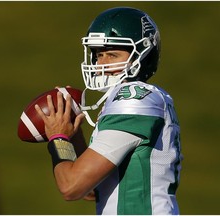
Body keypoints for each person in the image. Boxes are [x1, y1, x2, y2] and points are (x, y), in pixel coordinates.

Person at [35, 7, 183, 215]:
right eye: (98, 54)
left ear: (143, 55)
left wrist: (58, 138)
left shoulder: (134, 98)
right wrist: (73, 134)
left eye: (112, 54)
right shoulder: (143, 99)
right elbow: (93, 189)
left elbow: (71, 186)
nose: (100, 64)